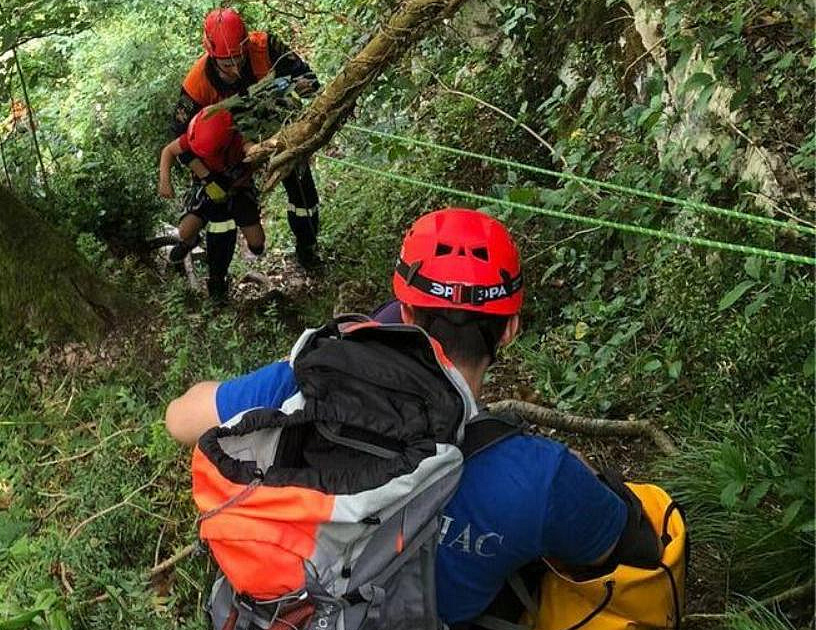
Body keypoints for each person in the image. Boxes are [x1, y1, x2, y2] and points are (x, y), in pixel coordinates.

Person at [164, 208, 659, 627]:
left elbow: (180, 421)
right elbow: (631, 548)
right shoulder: (540, 475)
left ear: (403, 311)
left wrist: (282, 378)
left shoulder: (310, 378)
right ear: (509, 329)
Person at [172, 7, 324, 270]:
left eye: (239, 59)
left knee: (303, 195)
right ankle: (215, 278)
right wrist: (206, 177)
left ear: (246, 44)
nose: (234, 69)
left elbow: (310, 81)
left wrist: (298, 87)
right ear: (210, 52)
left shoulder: (267, 48)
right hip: (225, 154)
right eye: (226, 63)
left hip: (276, 134)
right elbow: (178, 137)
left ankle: (307, 249)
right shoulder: (197, 83)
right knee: (219, 217)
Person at [158, 106, 264, 301]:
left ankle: (230, 259)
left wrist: (259, 152)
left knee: (257, 244)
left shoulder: (237, 134)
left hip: (238, 187)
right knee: (185, 231)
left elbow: (252, 149)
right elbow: (169, 151)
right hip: (207, 185)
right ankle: (192, 245)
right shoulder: (197, 131)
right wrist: (165, 181)